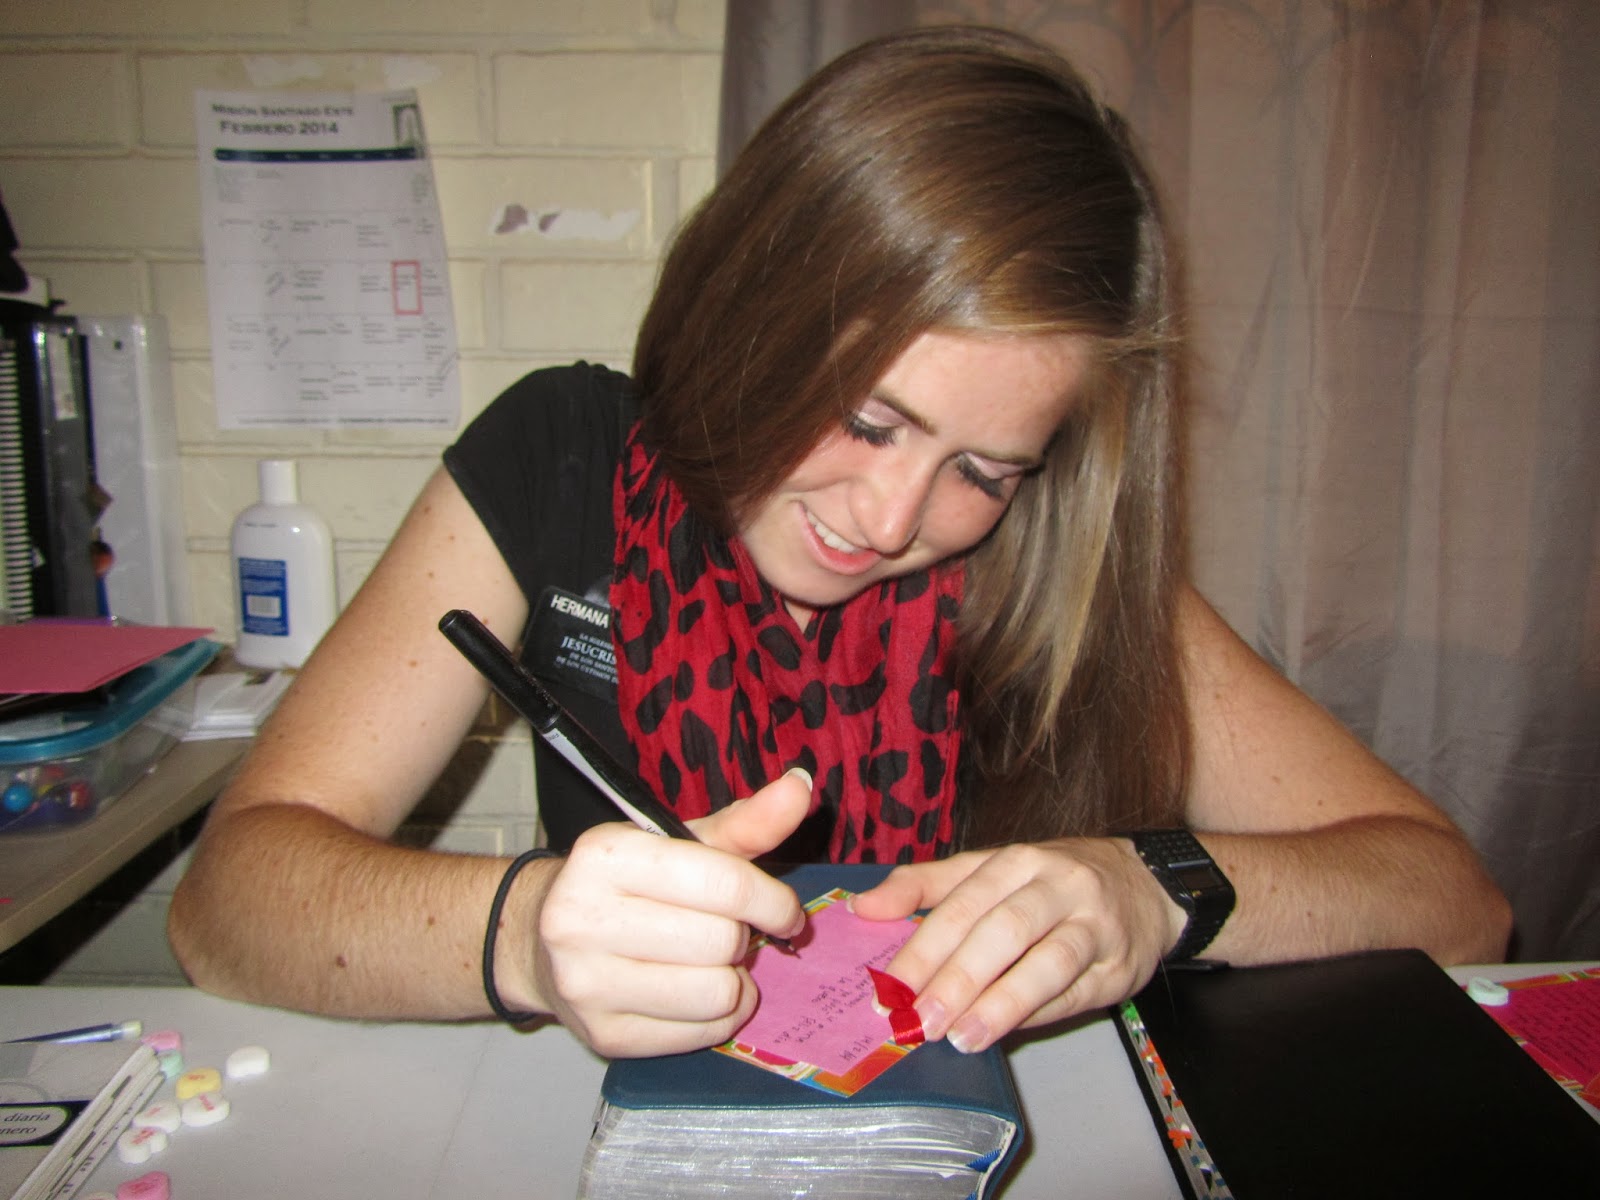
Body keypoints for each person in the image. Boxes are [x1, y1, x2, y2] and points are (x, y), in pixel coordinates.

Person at [168, 25, 1510, 1059]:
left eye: (983, 470)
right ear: (756, 302)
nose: (889, 521)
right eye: (868, 419)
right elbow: (227, 904)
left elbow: (1453, 898)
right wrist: (524, 936)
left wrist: (1155, 890)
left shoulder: (1057, 561)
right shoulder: (561, 455)